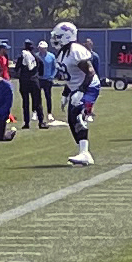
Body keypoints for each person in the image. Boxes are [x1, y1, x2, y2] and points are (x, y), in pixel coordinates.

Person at [53, 21, 100, 165]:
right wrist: (66, 93)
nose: (54, 39)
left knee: (79, 117)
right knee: (72, 120)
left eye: (58, 36)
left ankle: (85, 153)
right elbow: (71, 76)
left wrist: (81, 90)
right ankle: (83, 152)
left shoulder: (75, 50)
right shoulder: (62, 53)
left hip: (89, 86)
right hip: (76, 88)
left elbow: (90, 72)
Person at [15, 40, 46, 129]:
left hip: (24, 82)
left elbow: (16, 69)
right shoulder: (36, 57)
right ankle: (41, 122)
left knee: (25, 103)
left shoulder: (22, 56)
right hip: (34, 81)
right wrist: (37, 75)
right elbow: (42, 67)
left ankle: (26, 123)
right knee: (37, 102)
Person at [37, 41, 58, 123]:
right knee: (37, 97)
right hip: (39, 79)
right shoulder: (36, 56)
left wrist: (52, 76)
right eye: (40, 48)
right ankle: (35, 112)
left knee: (48, 97)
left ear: (46, 48)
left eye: (43, 48)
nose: (41, 50)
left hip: (48, 80)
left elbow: (55, 67)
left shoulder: (51, 56)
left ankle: (49, 113)